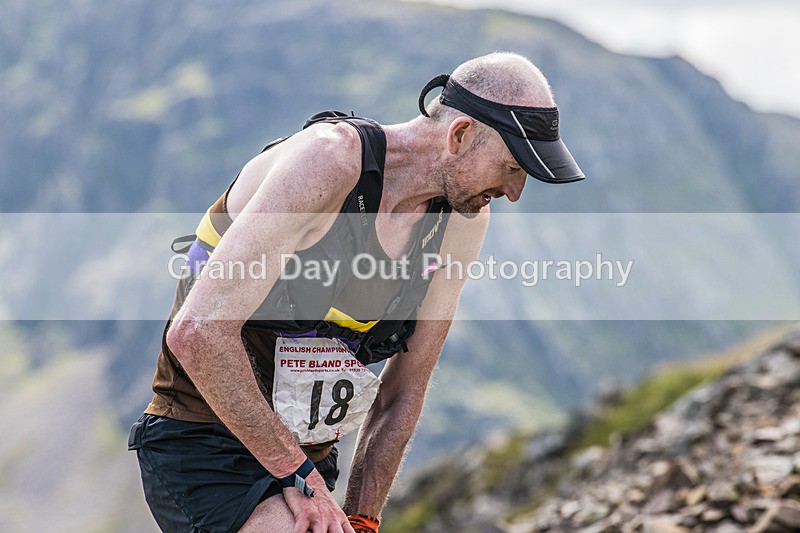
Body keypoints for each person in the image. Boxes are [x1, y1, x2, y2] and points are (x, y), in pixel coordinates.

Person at [129, 51, 584, 533]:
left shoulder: (462, 220)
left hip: (305, 462)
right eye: (512, 168)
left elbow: (403, 390)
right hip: (205, 442)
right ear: (461, 135)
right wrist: (298, 475)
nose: (515, 192)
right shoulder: (329, 162)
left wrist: (363, 518)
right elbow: (197, 333)